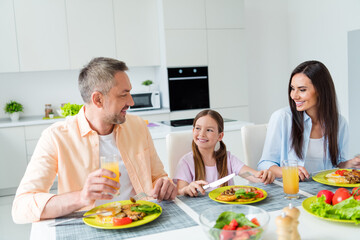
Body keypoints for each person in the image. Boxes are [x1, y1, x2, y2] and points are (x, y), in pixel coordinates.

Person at [12, 57, 177, 224]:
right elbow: (21, 207)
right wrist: (81, 197)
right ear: (98, 99)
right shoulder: (56, 137)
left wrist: (165, 185)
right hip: (88, 227)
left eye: (130, 92)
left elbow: (159, 177)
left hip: (142, 220)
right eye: (124, 94)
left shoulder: (138, 126)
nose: (131, 101)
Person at [257, 60, 360, 181]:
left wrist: (351, 164)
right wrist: (288, 172)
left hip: (325, 191)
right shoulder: (282, 118)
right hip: (291, 191)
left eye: (302, 90)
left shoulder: (339, 123)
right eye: (292, 88)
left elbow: (337, 165)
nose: (294, 96)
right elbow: (264, 164)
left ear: (320, 91)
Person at [174, 110, 275, 197]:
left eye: (209, 130)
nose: (202, 134)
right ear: (193, 130)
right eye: (198, 128)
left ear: (220, 136)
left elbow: (247, 174)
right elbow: (180, 192)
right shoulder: (186, 162)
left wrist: (261, 176)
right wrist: (187, 189)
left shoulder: (228, 158)